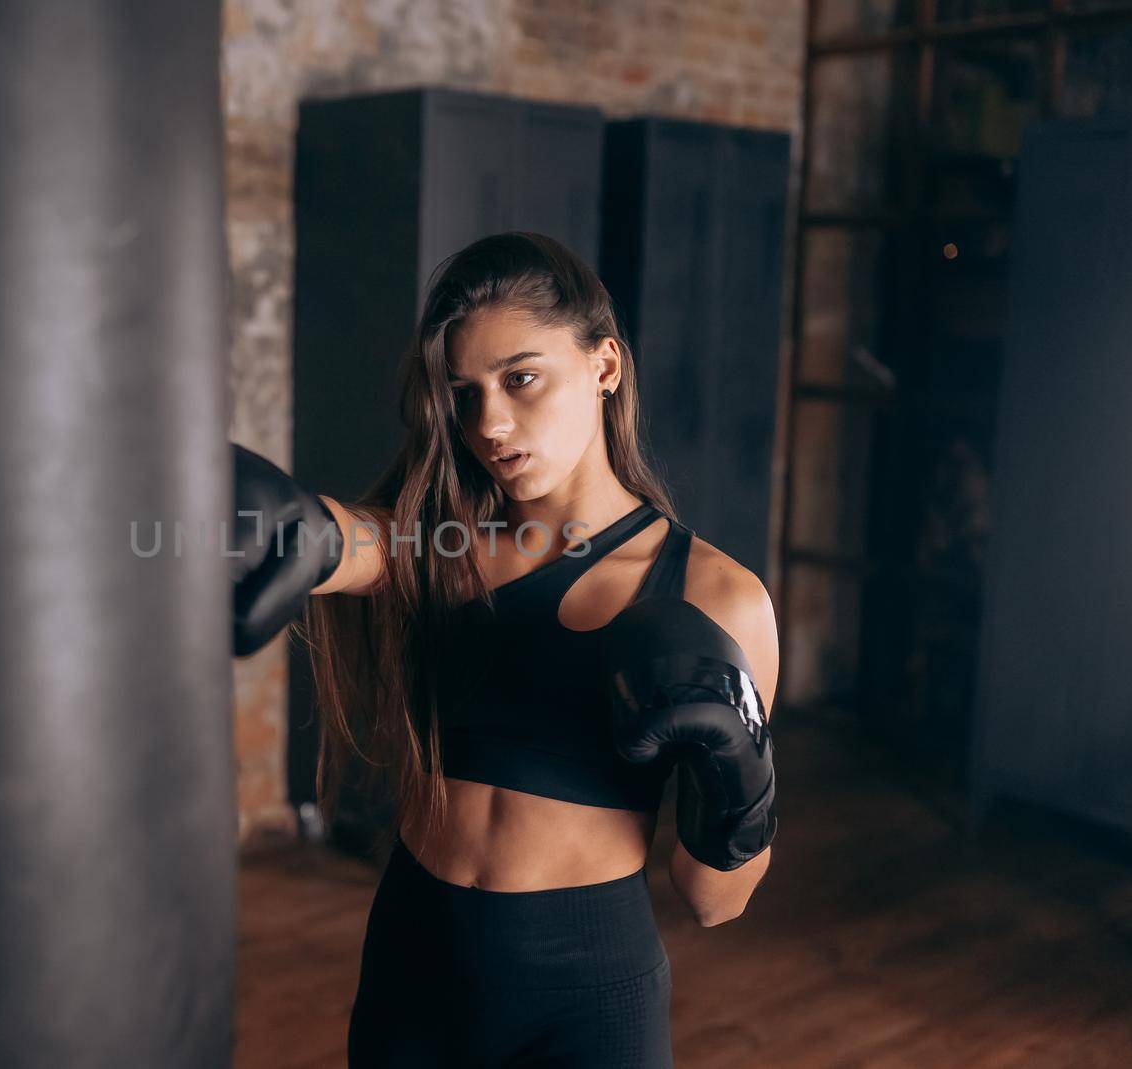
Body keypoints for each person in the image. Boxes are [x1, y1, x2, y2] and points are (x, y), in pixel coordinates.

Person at [230, 231, 778, 1068]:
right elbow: (349, 540)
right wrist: (291, 525)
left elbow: (715, 901)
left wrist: (740, 775)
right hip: (414, 956)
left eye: (520, 378)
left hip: (585, 990)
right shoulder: (448, 541)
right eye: (465, 391)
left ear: (604, 366)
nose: (489, 422)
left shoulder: (717, 596)